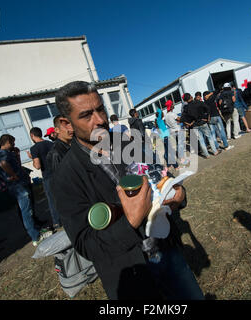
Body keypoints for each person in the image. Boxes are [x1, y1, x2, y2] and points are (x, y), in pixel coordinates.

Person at [51, 80, 204, 300]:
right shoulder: (65, 177)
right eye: (86, 115)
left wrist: (178, 194)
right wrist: (129, 223)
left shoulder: (127, 143)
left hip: (167, 251)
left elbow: (159, 177)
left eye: (100, 109)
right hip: (131, 273)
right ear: (67, 123)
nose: (100, 120)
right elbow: (86, 245)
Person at [0, 134, 50, 246]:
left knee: (27, 209)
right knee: (26, 211)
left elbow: (16, 165)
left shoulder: (7, 154)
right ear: (7, 142)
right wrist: (13, 175)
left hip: (20, 185)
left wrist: (17, 155)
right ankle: (36, 237)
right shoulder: (3, 154)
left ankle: (36, 229)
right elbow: (3, 164)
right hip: (18, 186)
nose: (14, 144)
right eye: (13, 142)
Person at [28, 127, 60, 229]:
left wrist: (33, 158)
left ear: (32, 135)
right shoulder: (51, 144)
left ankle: (57, 221)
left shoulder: (34, 148)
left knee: (52, 200)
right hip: (58, 173)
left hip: (48, 176)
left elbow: (37, 165)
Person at [182, 93, 220, 158]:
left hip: (194, 125)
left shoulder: (186, 108)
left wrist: (189, 123)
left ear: (185, 100)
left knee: (201, 140)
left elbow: (183, 118)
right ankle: (215, 151)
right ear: (191, 97)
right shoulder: (198, 102)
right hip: (202, 122)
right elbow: (208, 108)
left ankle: (207, 155)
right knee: (209, 137)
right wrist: (207, 117)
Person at [164, 100, 189, 165]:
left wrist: (177, 122)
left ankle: (180, 157)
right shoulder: (173, 114)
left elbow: (171, 122)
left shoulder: (166, 116)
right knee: (180, 145)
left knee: (178, 144)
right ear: (171, 106)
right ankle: (182, 159)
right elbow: (180, 119)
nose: (174, 105)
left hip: (172, 131)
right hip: (178, 130)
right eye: (172, 104)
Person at [155, 104, 178, 169]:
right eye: (162, 113)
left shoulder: (159, 121)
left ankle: (169, 165)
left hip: (164, 138)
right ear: (159, 115)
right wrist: (158, 108)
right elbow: (159, 111)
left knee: (167, 152)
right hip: (165, 138)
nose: (163, 114)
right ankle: (176, 166)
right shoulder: (159, 120)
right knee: (170, 152)